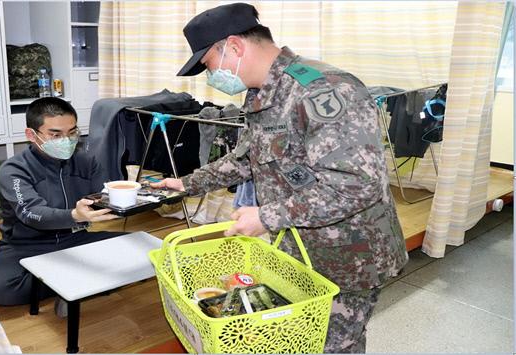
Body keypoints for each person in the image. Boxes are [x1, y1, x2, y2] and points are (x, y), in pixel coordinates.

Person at [153, 3, 409, 353]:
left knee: (331, 345)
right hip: (301, 248)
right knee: (299, 339)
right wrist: (186, 184)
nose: (210, 76)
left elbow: (355, 185)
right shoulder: (261, 94)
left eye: (209, 65)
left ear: (235, 47)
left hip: (350, 254)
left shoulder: (325, 90)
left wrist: (266, 217)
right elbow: (247, 157)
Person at [0, 97, 121, 308]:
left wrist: (140, 196)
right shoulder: (13, 170)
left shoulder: (86, 161)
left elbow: (103, 195)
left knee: (144, 253)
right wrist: (73, 216)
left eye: (72, 132)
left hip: (75, 240)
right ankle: (72, 284)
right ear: (31, 135)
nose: (67, 140)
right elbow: (32, 213)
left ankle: (67, 282)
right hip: (26, 246)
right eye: (56, 134)